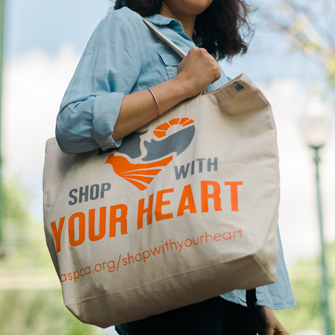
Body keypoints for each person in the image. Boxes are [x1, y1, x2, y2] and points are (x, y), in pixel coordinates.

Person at [56, 0, 296, 334]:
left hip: (236, 291)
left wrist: (260, 301)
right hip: (170, 277)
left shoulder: (210, 62)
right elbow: (73, 124)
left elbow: (233, 183)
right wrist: (182, 85)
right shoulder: (128, 27)